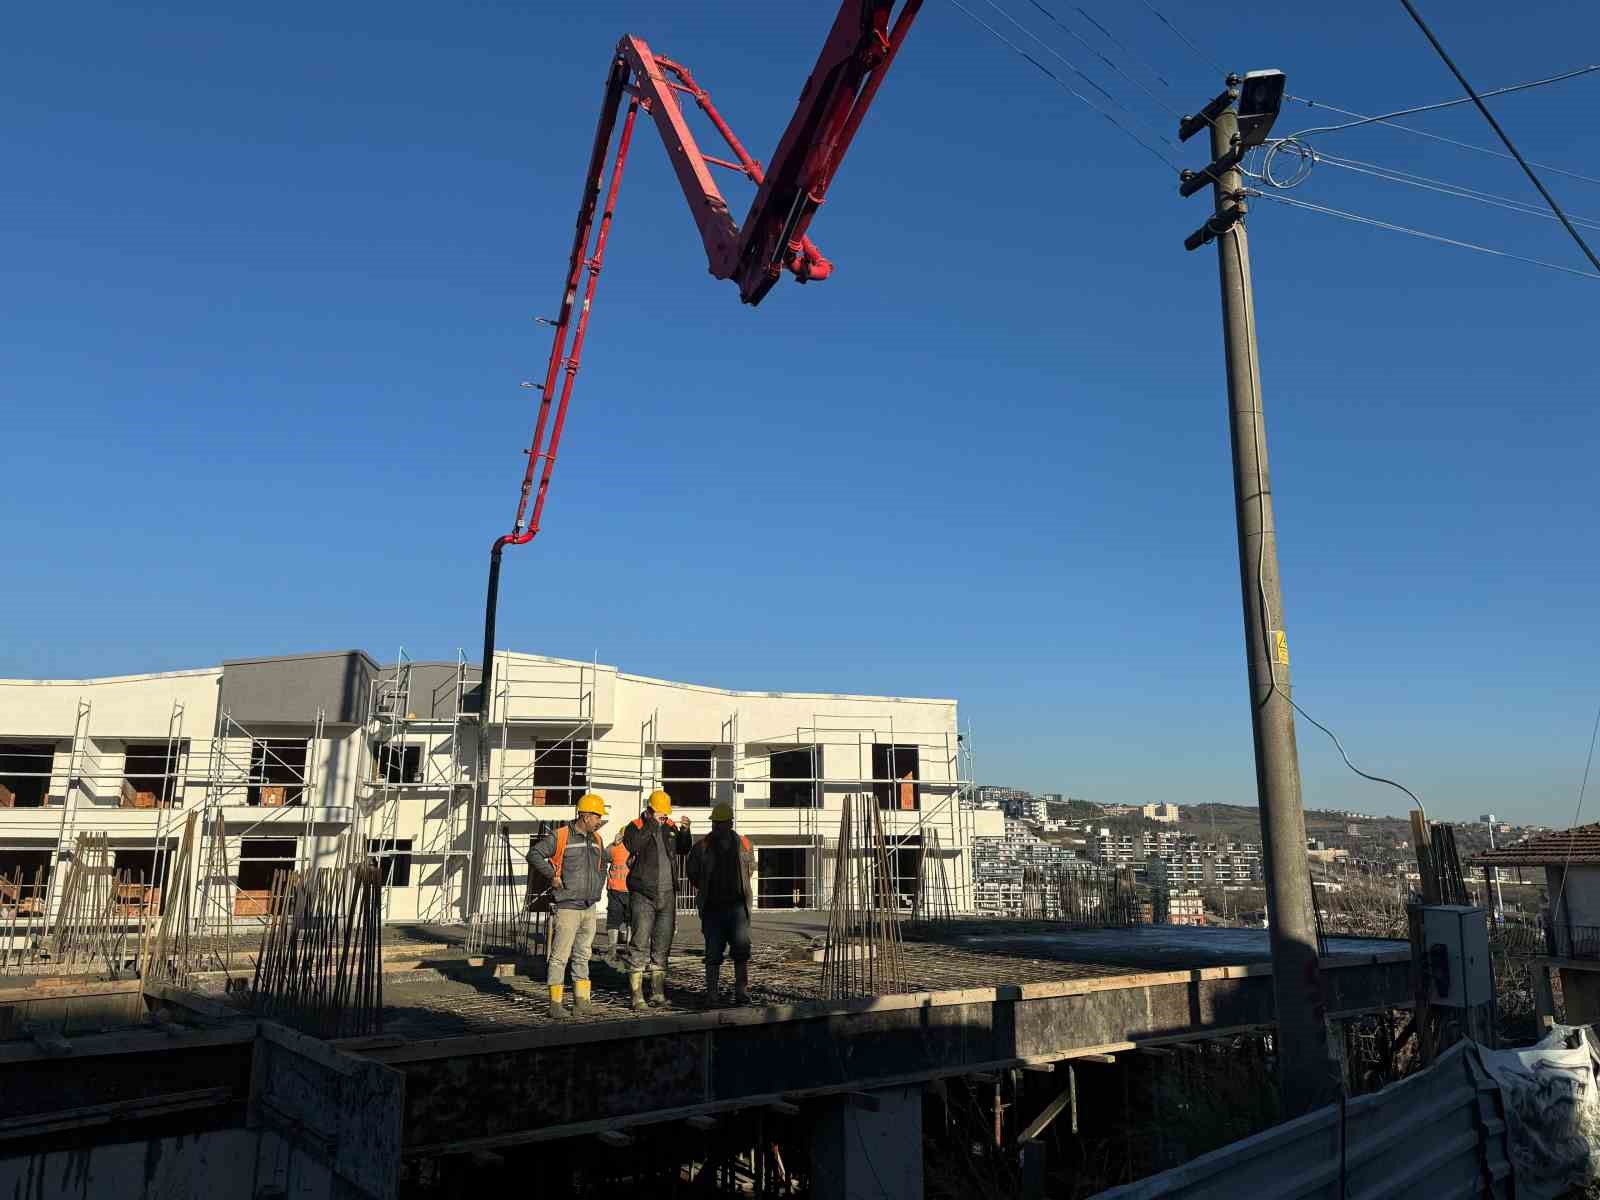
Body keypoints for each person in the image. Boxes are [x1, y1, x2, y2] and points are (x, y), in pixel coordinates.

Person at [530, 793, 608, 1020]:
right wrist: (552, 877)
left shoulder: (597, 839)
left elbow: (602, 864)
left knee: (583, 954)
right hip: (567, 906)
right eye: (596, 816)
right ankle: (555, 1004)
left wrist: (597, 888)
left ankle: (582, 1002)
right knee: (559, 956)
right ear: (584, 815)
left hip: (589, 906)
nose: (599, 820)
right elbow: (534, 854)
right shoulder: (560, 836)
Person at [621, 789, 692, 1011]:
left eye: (666, 813)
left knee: (662, 945)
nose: (665, 816)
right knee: (639, 943)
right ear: (651, 810)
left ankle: (658, 994)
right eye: (661, 812)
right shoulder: (635, 826)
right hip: (643, 894)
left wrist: (685, 831)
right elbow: (633, 845)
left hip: (668, 894)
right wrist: (652, 824)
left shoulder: (669, 827)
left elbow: (683, 848)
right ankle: (636, 996)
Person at [687, 802, 755, 1006]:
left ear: (730, 823)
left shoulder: (743, 844)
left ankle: (741, 992)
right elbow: (692, 872)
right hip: (713, 909)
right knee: (713, 953)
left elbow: (750, 868)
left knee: (741, 951)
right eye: (715, 823)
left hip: (738, 908)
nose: (716, 827)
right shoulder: (702, 846)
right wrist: (707, 889)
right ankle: (712, 994)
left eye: (720, 823)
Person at [603, 834, 632, 965]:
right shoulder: (628, 848)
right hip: (623, 890)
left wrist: (613, 844)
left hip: (621, 890)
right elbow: (603, 856)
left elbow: (604, 855)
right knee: (630, 921)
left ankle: (615, 950)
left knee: (616, 921)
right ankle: (626, 949)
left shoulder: (617, 848)